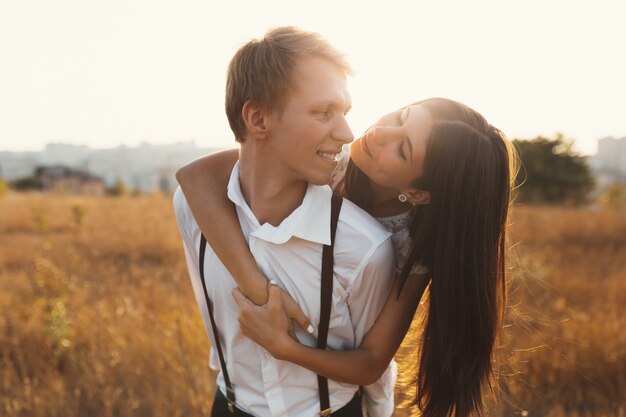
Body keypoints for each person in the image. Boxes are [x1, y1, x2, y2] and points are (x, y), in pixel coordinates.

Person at [177, 95, 517, 417]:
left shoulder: (410, 247)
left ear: (416, 192)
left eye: (402, 148)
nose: (381, 133)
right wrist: (262, 292)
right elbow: (195, 176)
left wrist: (285, 347)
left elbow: (370, 362)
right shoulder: (325, 155)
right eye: (400, 116)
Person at [174, 26, 399, 417]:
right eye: (323, 112)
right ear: (258, 119)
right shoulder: (190, 206)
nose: (346, 134)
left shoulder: (363, 246)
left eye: (344, 113)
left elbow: (375, 372)